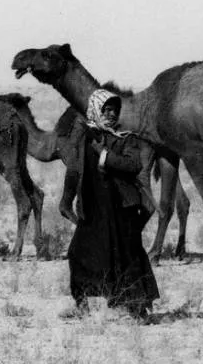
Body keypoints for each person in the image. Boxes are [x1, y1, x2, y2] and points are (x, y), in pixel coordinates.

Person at [59, 89, 159, 321]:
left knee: (126, 254)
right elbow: (74, 168)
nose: (111, 114)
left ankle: (135, 308)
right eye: (106, 109)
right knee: (79, 253)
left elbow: (133, 165)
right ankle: (81, 304)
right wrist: (67, 199)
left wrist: (105, 156)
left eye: (114, 110)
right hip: (93, 208)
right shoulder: (84, 137)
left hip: (121, 208)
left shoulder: (126, 139)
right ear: (96, 110)